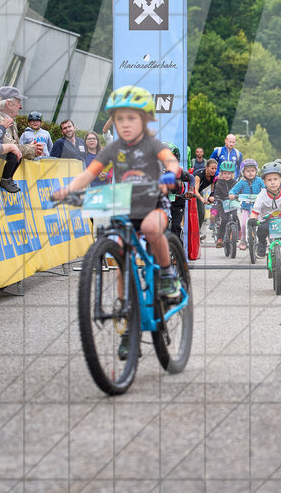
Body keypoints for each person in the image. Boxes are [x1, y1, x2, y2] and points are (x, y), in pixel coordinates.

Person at [51, 86, 185, 351]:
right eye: (120, 119)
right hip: (124, 206)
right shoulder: (113, 148)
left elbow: (170, 161)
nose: (125, 124)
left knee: (149, 228)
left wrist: (171, 173)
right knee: (121, 253)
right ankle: (126, 319)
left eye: (132, 118)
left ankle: (168, 274)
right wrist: (68, 189)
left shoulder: (152, 144)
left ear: (145, 120)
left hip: (153, 205)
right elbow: (89, 173)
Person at [230, 158, 264, 250]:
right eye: (247, 171)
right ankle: (243, 240)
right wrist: (232, 194)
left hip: (257, 208)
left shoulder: (259, 180)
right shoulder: (242, 182)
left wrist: (266, 192)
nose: (250, 173)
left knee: (260, 224)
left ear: (256, 171)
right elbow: (234, 189)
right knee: (244, 224)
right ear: (243, 172)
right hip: (245, 208)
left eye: (252, 170)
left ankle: (260, 241)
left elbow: (265, 188)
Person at [213, 160, 239, 247]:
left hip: (232, 203)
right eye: (225, 173)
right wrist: (216, 198)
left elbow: (238, 192)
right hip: (222, 204)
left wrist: (237, 196)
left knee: (235, 217)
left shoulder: (235, 183)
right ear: (221, 174)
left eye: (229, 173)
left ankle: (237, 234)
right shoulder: (219, 183)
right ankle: (220, 238)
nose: (227, 175)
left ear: (232, 174)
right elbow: (216, 193)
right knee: (224, 220)